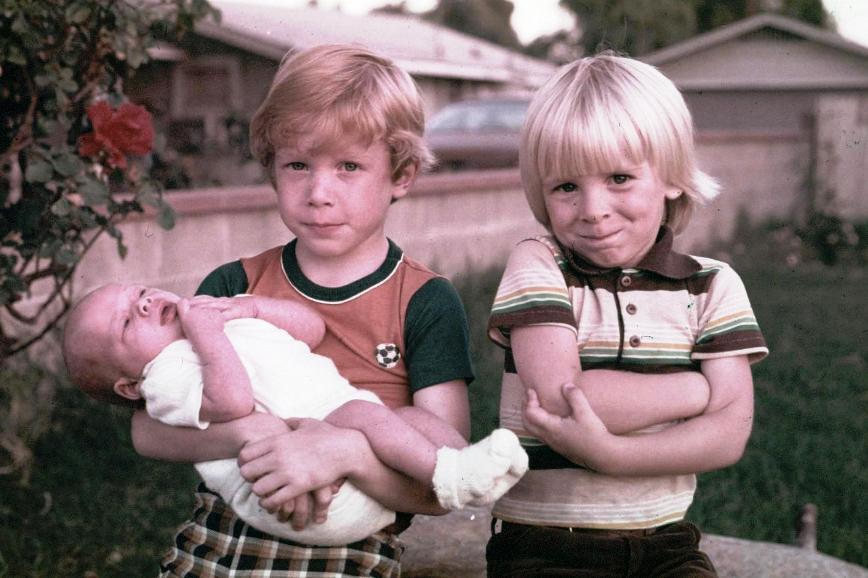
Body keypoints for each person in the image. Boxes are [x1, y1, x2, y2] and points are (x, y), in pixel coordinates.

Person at [123, 44, 481, 576]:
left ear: (401, 175)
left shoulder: (425, 302)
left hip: (351, 551)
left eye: (349, 167)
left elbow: (443, 480)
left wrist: (347, 454)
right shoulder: (231, 288)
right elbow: (146, 432)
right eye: (297, 164)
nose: (318, 192)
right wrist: (251, 435)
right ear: (270, 168)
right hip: (224, 540)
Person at [485, 52, 769, 577]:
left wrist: (611, 454)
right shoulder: (539, 263)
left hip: (666, 543)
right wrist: (698, 392)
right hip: (547, 547)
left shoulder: (711, 285)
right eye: (566, 186)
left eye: (618, 177)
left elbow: (730, 434)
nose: (593, 209)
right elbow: (561, 399)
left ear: (672, 178)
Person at [63, 284, 527, 545]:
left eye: (139, 292)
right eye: (127, 322)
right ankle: (452, 475)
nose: (143, 305)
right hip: (301, 499)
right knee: (367, 415)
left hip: (354, 465)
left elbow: (312, 329)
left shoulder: (213, 317)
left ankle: (465, 465)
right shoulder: (162, 377)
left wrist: (251, 307)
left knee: (411, 419)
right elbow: (232, 404)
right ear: (128, 384)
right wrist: (209, 336)